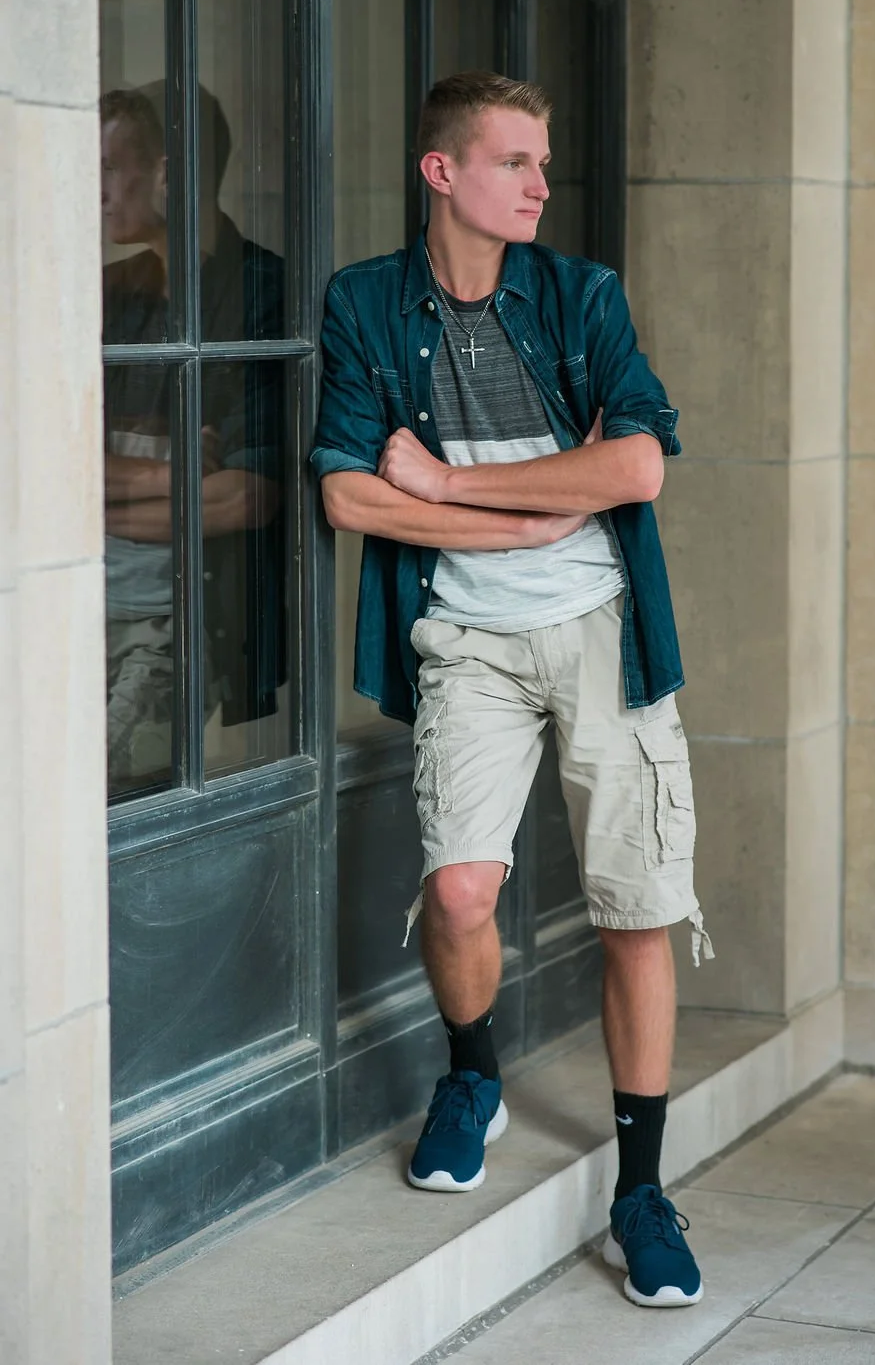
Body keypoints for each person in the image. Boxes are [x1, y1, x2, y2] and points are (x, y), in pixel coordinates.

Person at [312, 72, 713, 1309]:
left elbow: (638, 465)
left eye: (542, 163)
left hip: (600, 628)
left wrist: (443, 492)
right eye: (517, 162)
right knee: (461, 888)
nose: (542, 184)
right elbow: (344, 494)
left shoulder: (580, 295)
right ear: (444, 173)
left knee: (636, 910)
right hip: (465, 642)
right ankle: (471, 1072)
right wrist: (531, 510)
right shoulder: (368, 305)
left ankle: (642, 1189)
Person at [101, 83, 287, 796]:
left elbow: (243, 499)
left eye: (110, 167)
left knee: (112, 808)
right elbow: (41, 471)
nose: (97, 190)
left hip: (183, 623)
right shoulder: (109, 292)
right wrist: (176, 470)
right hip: (74, 609)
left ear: (169, 172)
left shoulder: (264, 294)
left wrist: (90, 504)